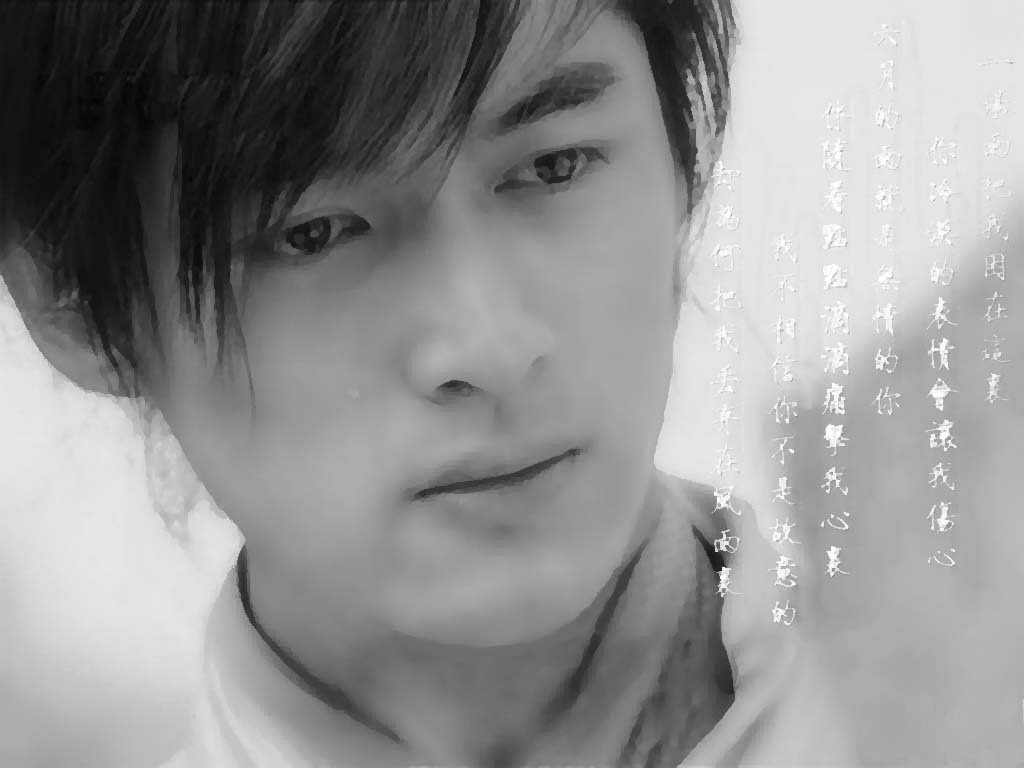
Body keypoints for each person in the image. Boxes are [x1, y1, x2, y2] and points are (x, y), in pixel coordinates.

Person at [0, 1, 859, 766]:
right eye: (314, 232)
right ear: (75, 306)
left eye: (555, 166)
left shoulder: (928, 700)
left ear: (682, 158)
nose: (488, 347)